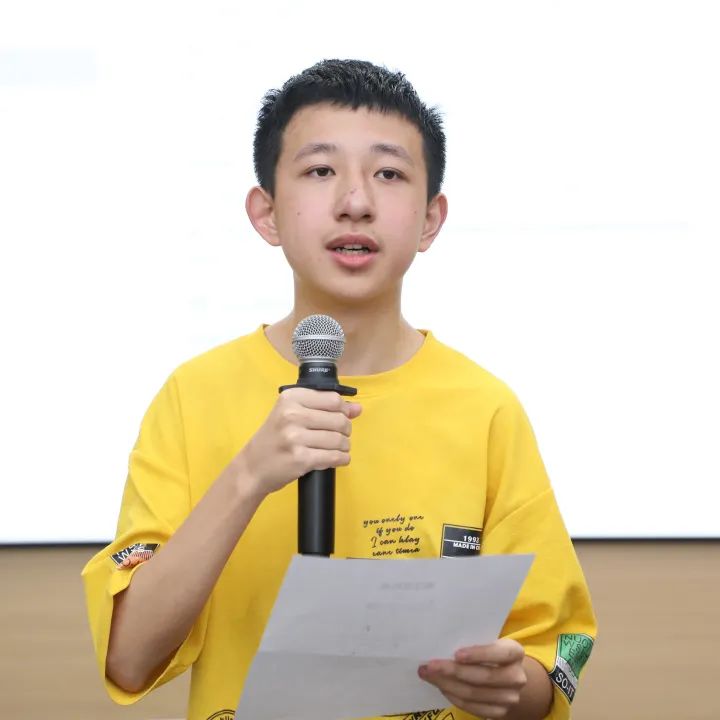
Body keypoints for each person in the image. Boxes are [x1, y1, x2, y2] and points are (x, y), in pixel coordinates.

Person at [82, 59, 597, 720]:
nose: (356, 201)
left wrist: (510, 685)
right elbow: (128, 659)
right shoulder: (194, 395)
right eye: (321, 170)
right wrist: (249, 475)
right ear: (266, 213)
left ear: (430, 219)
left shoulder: (485, 408)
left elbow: (558, 657)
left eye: (389, 174)